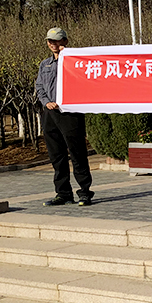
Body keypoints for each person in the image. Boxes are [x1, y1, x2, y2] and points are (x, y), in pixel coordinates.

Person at [35, 27, 94, 207]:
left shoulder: (75, 62)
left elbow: (83, 82)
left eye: (56, 40)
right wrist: (46, 102)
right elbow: (39, 87)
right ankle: (63, 193)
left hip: (70, 113)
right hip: (50, 113)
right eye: (50, 41)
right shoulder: (44, 64)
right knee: (56, 155)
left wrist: (68, 55)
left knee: (77, 153)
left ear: (65, 41)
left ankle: (85, 192)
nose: (52, 43)